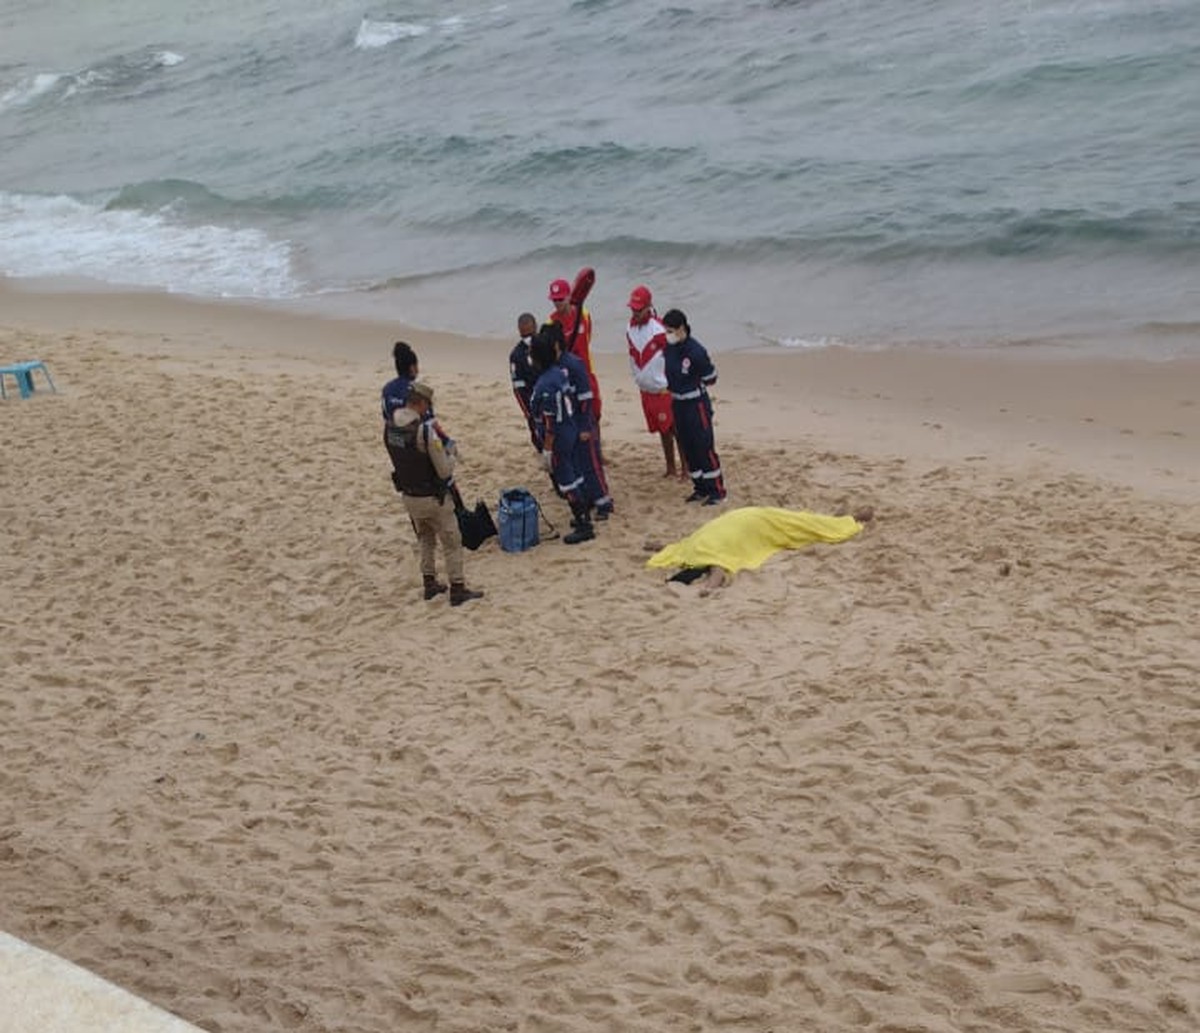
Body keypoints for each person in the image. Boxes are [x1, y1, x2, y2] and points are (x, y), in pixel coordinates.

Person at [384, 381, 483, 606]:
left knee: (425, 538)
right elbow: (443, 469)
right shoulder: (424, 430)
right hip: (433, 497)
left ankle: (429, 583)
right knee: (451, 540)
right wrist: (449, 454)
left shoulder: (390, 426)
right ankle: (457, 588)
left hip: (409, 496)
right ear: (420, 403)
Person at [528, 333, 596, 544]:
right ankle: (583, 515)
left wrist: (547, 450)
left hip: (558, 437)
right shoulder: (558, 373)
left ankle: (584, 524)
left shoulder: (545, 385)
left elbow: (549, 423)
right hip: (569, 428)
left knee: (566, 480)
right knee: (574, 472)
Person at [542, 319, 613, 518]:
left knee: (590, 463)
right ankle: (588, 499)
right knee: (577, 464)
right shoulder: (553, 366)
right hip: (568, 425)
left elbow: (585, 398)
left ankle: (604, 503)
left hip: (581, 422)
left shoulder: (573, 364)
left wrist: (584, 427)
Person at [661, 308, 726, 505]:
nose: (668, 334)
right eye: (667, 330)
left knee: (703, 447)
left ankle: (716, 490)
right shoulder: (669, 348)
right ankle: (700, 487)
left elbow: (711, 377)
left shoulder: (696, 351)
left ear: (682, 328)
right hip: (678, 402)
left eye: (671, 330)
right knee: (688, 447)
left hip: (696, 404)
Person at [625, 284, 684, 478]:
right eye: (633, 309)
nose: (635, 313)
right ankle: (670, 468)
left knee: (676, 429)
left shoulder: (660, 328)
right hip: (645, 389)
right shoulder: (629, 328)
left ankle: (686, 468)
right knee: (662, 431)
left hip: (663, 389)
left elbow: (676, 351)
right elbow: (633, 355)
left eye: (639, 310)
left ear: (649, 307)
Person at [547, 277, 603, 427]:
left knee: (596, 413)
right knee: (576, 417)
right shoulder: (551, 323)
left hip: (587, 372)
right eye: (554, 300)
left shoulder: (583, 314)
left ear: (569, 297)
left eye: (560, 299)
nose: (557, 303)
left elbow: (587, 338)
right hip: (568, 378)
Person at [509, 313, 541, 450]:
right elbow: (518, 389)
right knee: (539, 437)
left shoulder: (546, 344)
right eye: (525, 335)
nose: (529, 339)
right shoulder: (517, 355)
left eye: (531, 335)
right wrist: (528, 411)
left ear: (536, 327)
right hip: (533, 400)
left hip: (552, 398)